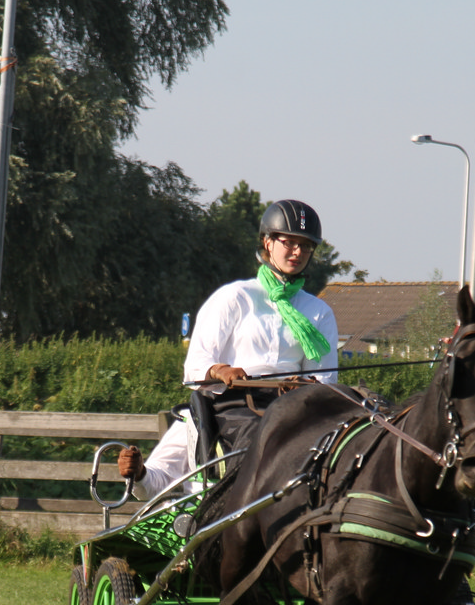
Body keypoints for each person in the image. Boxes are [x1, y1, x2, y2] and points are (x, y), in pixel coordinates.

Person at [119, 199, 340, 488]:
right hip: (232, 404)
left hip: (292, 408)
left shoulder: (319, 312)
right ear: (268, 242)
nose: (298, 252)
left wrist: (305, 386)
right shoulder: (235, 297)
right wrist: (220, 370)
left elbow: (325, 380)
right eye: (289, 242)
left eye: (306, 246)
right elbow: (195, 365)